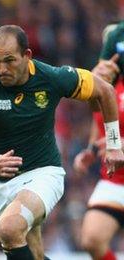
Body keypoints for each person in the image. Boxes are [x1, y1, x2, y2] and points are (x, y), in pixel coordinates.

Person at [0, 25, 124, 260]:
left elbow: (105, 91)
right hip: (2, 181)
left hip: (43, 173)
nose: (1, 68)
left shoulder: (51, 77)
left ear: (27, 55)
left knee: (10, 229)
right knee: (34, 253)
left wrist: (113, 143)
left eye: (9, 60)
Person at [73, 22, 124, 260]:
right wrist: (92, 149)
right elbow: (99, 119)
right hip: (115, 180)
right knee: (92, 239)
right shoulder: (112, 89)